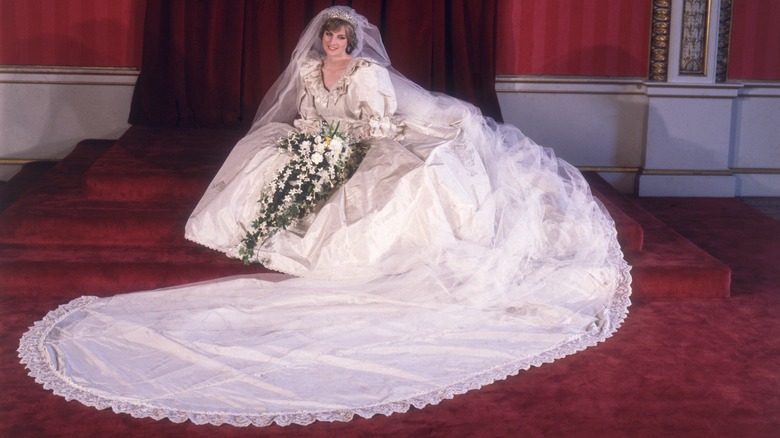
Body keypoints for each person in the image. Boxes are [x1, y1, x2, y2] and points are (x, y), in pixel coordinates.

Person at [19, 6, 631, 427]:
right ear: (321, 42)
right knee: (263, 152)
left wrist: (343, 141)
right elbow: (307, 110)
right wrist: (311, 138)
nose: (334, 46)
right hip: (326, 139)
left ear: (353, 43)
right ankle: (263, 229)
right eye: (328, 39)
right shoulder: (312, 71)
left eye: (342, 39)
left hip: (368, 136)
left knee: (391, 180)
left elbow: (375, 121)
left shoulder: (368, 74)